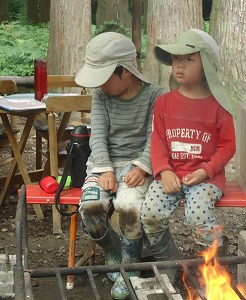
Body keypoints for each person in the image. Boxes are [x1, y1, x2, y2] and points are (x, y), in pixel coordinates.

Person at [75, 32, 164, 300]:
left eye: (104, 78)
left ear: (125, 71)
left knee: (129, 207)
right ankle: (112, 250)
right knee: (90, 209)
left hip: (138, 167)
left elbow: (156, 136)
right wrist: (104, 169)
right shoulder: (101, 97)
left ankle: (131, 266)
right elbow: (98, 135)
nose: (99, 85)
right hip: (103, 165)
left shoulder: (155, 96)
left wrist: (143, 166)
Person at [140, 29, 236, 273]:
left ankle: (213, 267)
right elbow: (158, 140)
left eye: (189, 59)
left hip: (205, 179)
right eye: (175, 59)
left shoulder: (219, 107)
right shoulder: (164, 103)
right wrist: (163, 170)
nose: (179, 65)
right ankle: (171, 262)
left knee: (198, 217)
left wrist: (206, 171)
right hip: (170, 176)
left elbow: (228, 146)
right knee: (150, 215)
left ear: (206, 67)